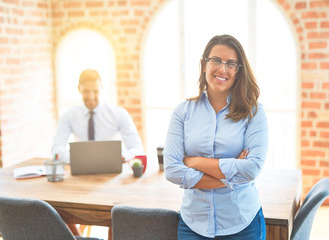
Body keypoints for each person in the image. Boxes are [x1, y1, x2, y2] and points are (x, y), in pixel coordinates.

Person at [164, 34, 268, 239]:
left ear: (238, 72)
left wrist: (194, 161)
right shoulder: (183, 112)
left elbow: (252, 168)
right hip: (193, 224)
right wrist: (229, 177)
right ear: (204, 65)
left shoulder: (253, 112)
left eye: (231, 63)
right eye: (216, 61)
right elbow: (172, 169)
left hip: (241, 223)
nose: (222, 69)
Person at [51, 68, 145, 164]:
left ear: (101, 88)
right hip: (81, 169)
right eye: (86, 92)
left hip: (112, 168)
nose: (91, 97)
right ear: (79, 89)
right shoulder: (69, 116)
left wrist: (122, 157)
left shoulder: (119, 114)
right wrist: (75, 159)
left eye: (95, 91)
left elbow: (138, 149)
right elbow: (56, 149)